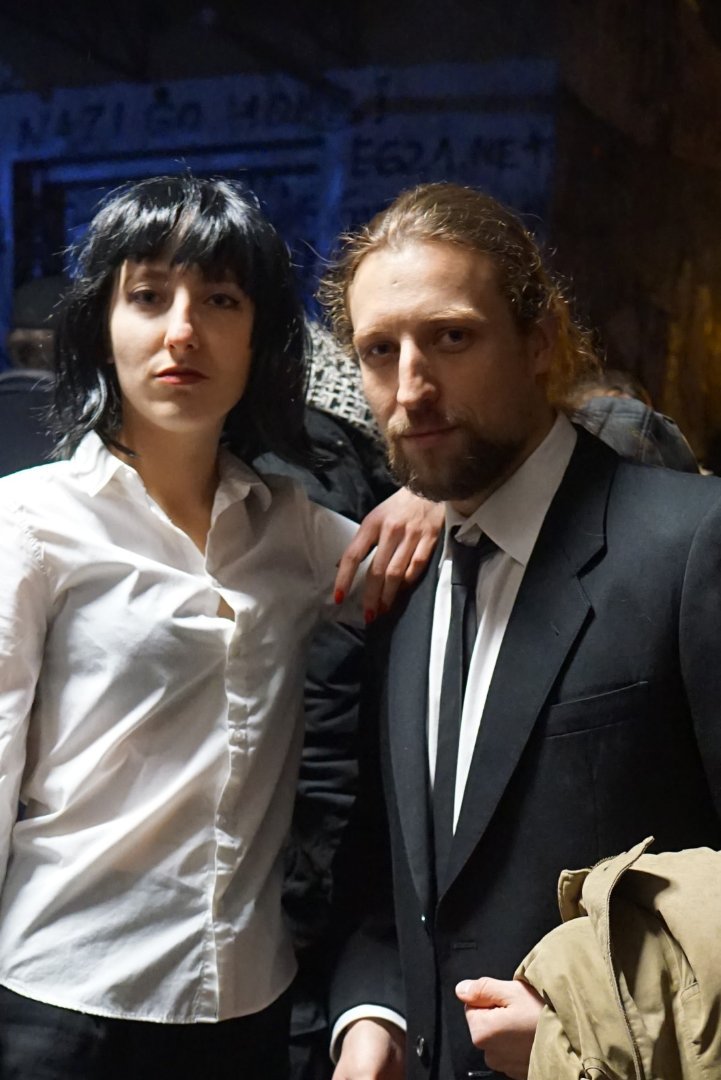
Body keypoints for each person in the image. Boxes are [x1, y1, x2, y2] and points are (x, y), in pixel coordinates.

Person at [0, 175, 440, 1080]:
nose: (183, 331)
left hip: (244, 1005)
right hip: (58, 1004)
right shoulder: (32, 523)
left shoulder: (294, 530)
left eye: (221, 300)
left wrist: (436, 495)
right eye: (148, 296)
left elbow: (446, 564)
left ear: (258, 337)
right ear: (103, 326)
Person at [320, 182, 721, 1080]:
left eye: (450, 338)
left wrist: (592, 1027)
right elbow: (400, 882)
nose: (411, 387)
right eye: (380, 350)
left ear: (540, 342)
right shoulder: (403, 581)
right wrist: (371, 1017)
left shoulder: (691, 544)